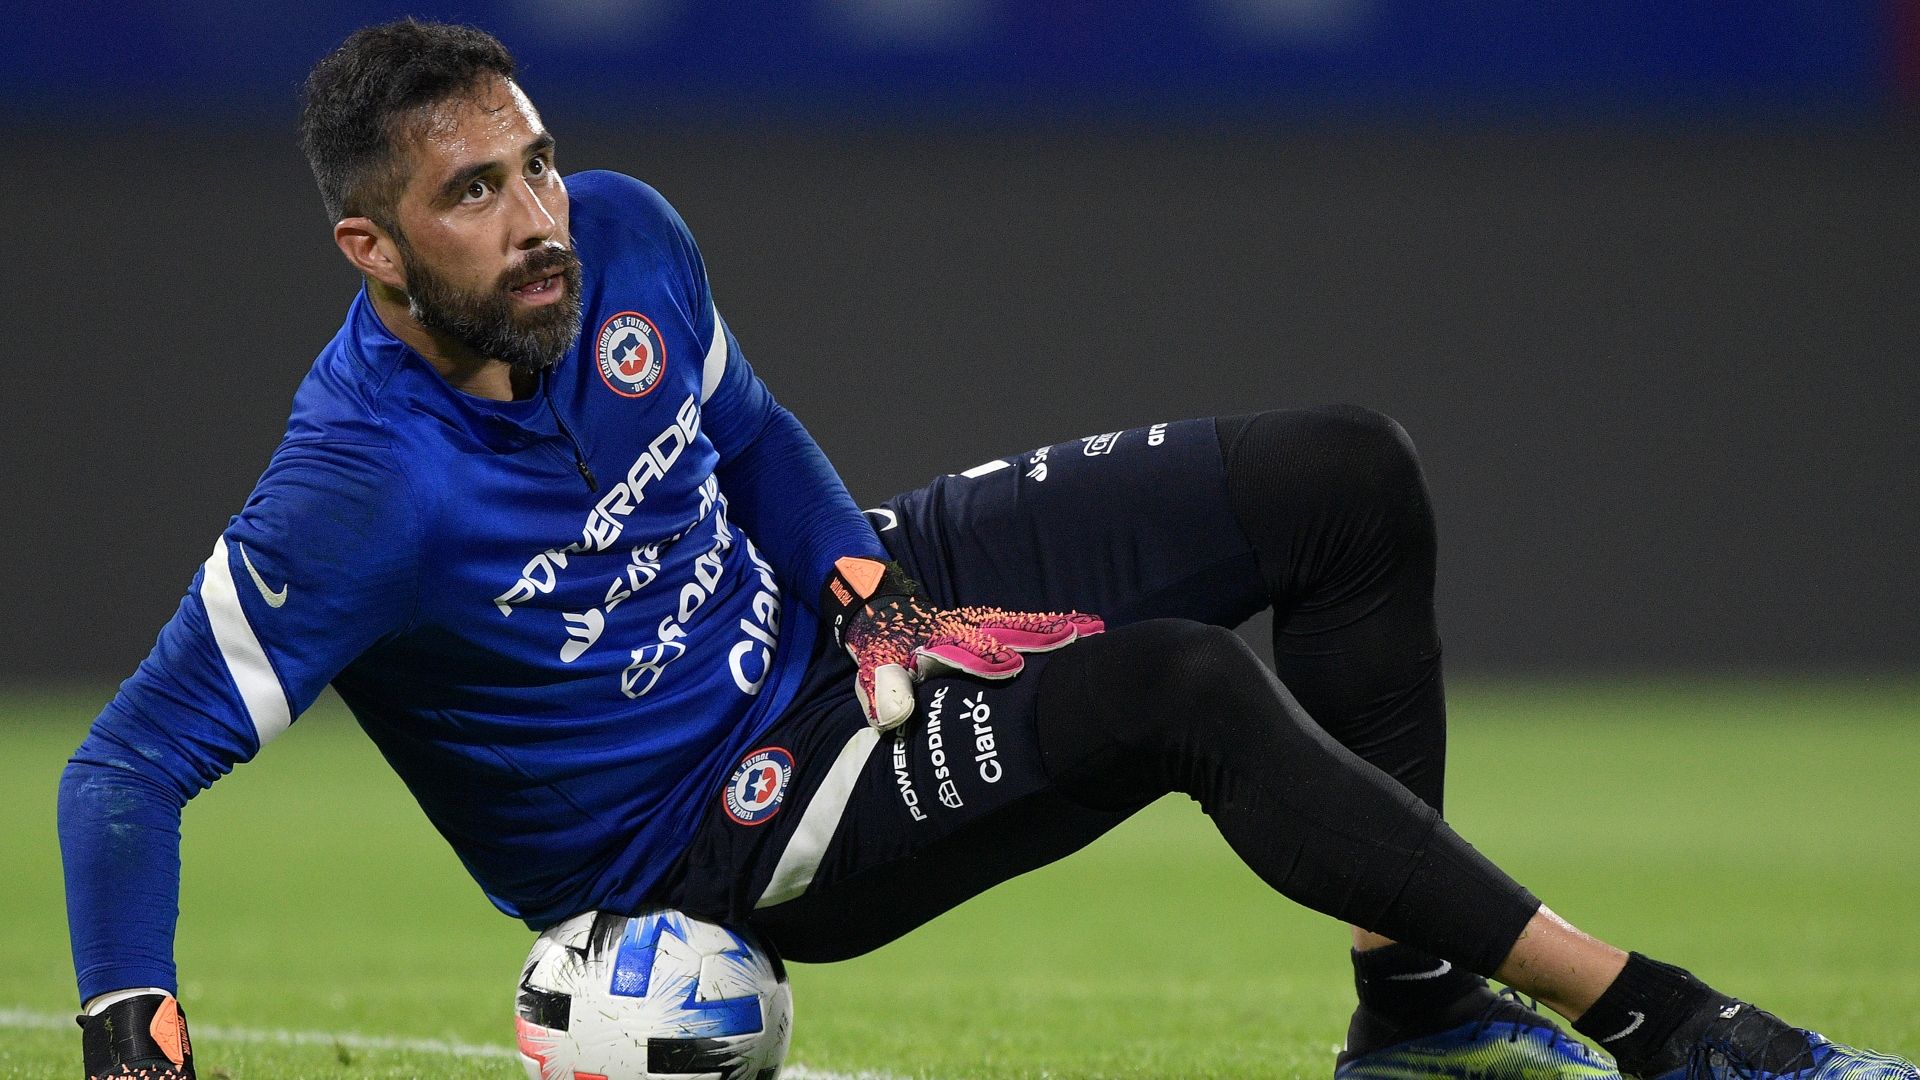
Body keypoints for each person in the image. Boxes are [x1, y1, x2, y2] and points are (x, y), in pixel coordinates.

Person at [56, 19, 1915, 1080]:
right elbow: (127, 766)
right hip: (727, 819)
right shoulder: (352, 489)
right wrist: (126, 1012)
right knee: (1182, 690)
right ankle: (1670, 1028)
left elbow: (751, 430)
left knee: (1347, 481)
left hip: (833, 602)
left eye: (535, 159)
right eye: (474, 195)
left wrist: (861, 576)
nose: (538, 217)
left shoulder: (617, 239)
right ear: (369, 254)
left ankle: (1418, 1022)